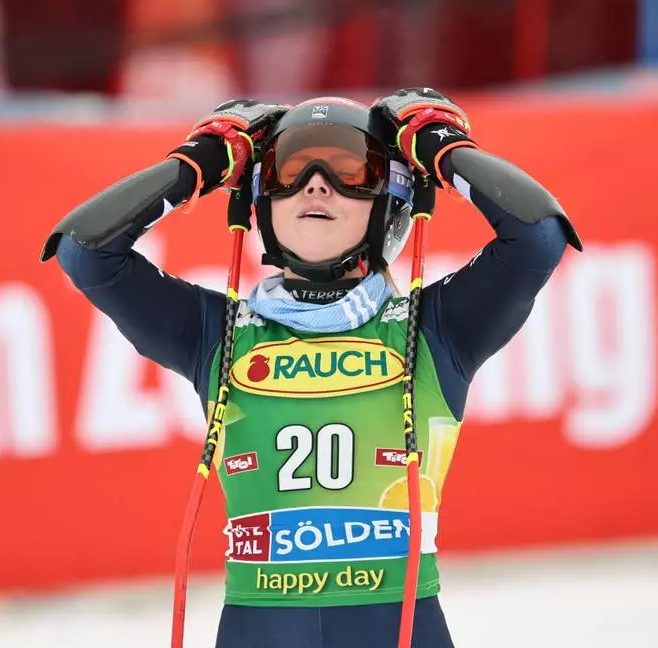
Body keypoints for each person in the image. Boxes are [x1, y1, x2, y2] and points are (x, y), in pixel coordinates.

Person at [45, 89, 581, 647]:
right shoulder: (215, 333)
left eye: (350, 170)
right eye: (291, 170)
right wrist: (199, 163)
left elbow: (537, 237)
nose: (316, 184)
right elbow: (86, 252)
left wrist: (441, 147)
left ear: (390, 203)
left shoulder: (433, 327)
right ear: (261, 203)